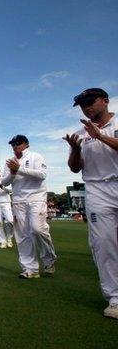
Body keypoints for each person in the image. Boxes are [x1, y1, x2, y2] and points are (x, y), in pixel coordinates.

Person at [63, 87, 118, 319]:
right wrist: (75, 149)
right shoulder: (81, 133)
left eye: (90, 101)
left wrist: (101, 136)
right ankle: (115, 298)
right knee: (103, 242)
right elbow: (75, 167)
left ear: (105, 101)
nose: (86, 107)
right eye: (82, 104)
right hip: (96, 188)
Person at [1, 135, 57, 279]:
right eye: (12, 144)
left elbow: (42, 174)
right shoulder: (10, 162)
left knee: (38, 229)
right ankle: (30, 269)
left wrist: (19, 169)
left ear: (26, 144)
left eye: (18, 143)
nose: (15, 146)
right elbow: (5, 182)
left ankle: (49, 259)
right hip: (19, 200)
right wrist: (13, 173)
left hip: (36, 198)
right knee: (23, 235)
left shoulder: (35, 156)